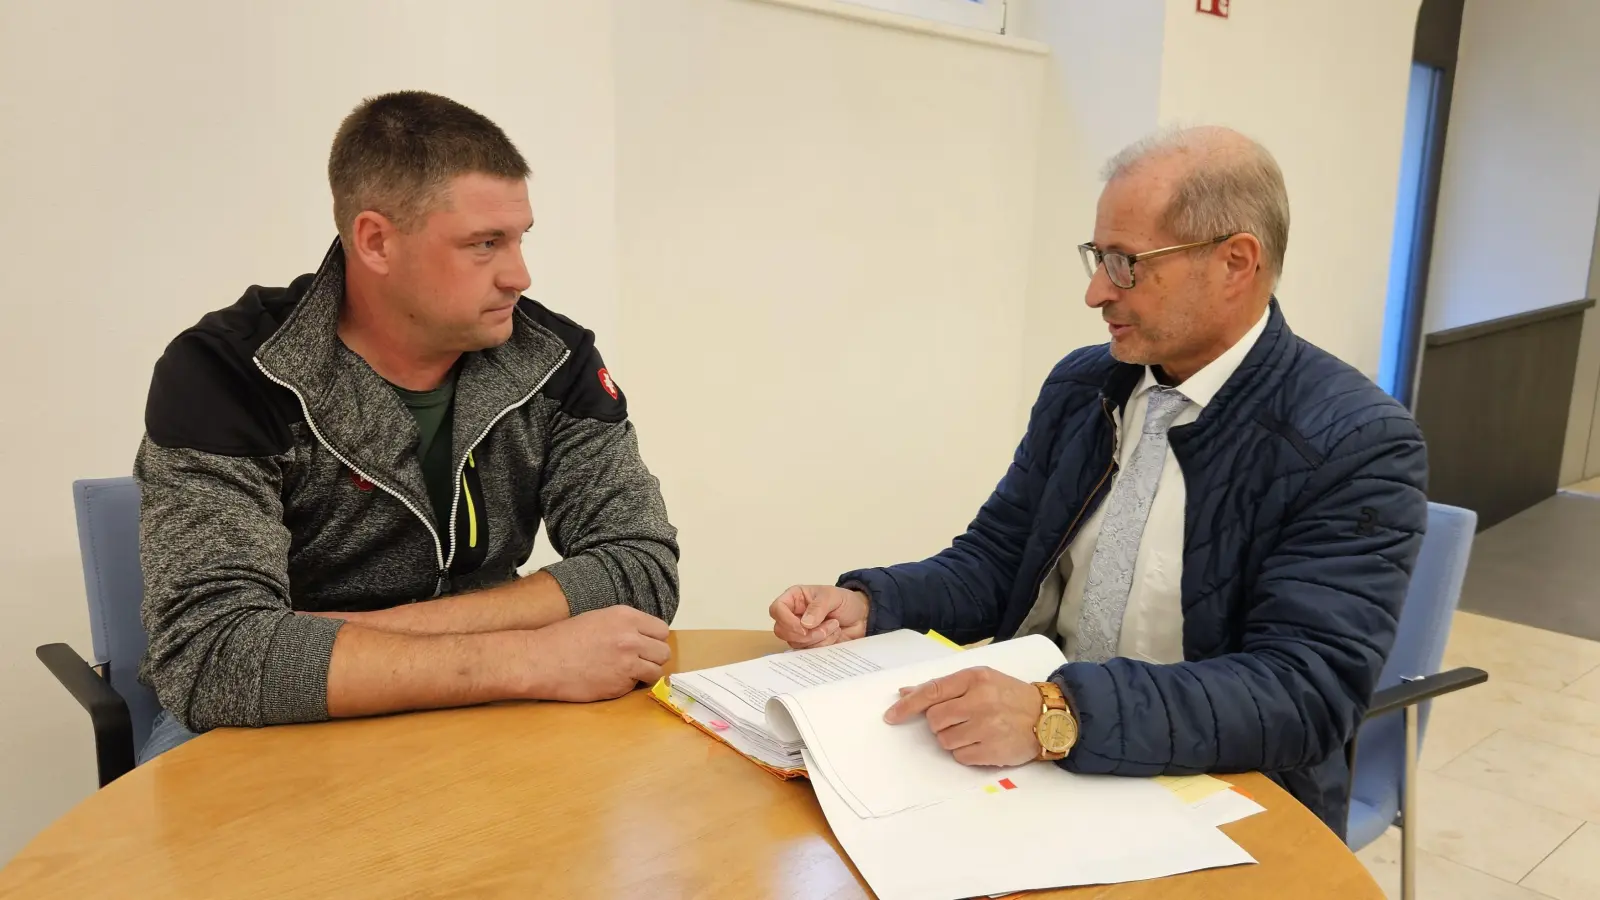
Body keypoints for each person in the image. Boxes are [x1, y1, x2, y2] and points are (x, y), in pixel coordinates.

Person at [769, 126, 1427, 835]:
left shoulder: (1355, 442)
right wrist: (875, 603)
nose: (1094, 293)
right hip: (1053, 764)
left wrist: (1060, 713)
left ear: (1236, 262)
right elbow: (998, 561)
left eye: (1126, 264)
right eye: (1098, 257)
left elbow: (1302, 693)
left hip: (1229, 796)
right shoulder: (1086, 387)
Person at [136, 91, 679, 762]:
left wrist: (375, 636)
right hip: (272, 726)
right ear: (376, 241)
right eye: (484, 245)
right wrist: (527, 657)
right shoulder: (227, 372)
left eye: (518, 239)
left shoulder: (552, 361)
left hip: (490, 715)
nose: (520, 275)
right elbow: (214, 657)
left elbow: (640, 565)